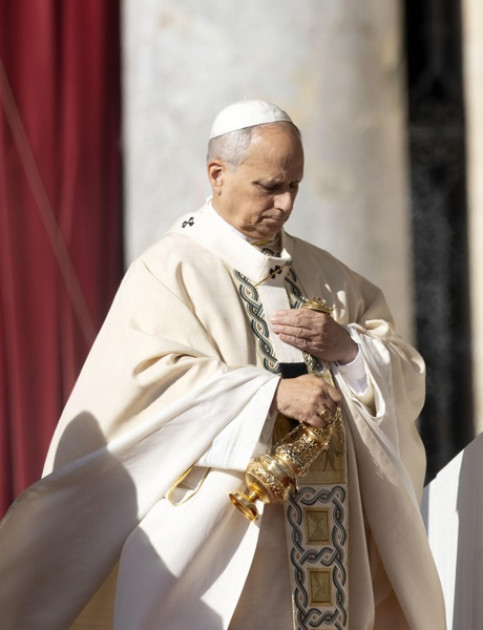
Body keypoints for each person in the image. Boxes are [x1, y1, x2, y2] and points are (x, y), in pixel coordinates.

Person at [0, 100, 446, 629]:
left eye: (295, 187)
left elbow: (405, 371)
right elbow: (145, 387)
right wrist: (268, 394)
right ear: (218, 175)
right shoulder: (170, 270)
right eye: (269, 186)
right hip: (221, 544)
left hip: (331, 535)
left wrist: (347, 348)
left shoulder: (326, 274)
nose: (284, 204)